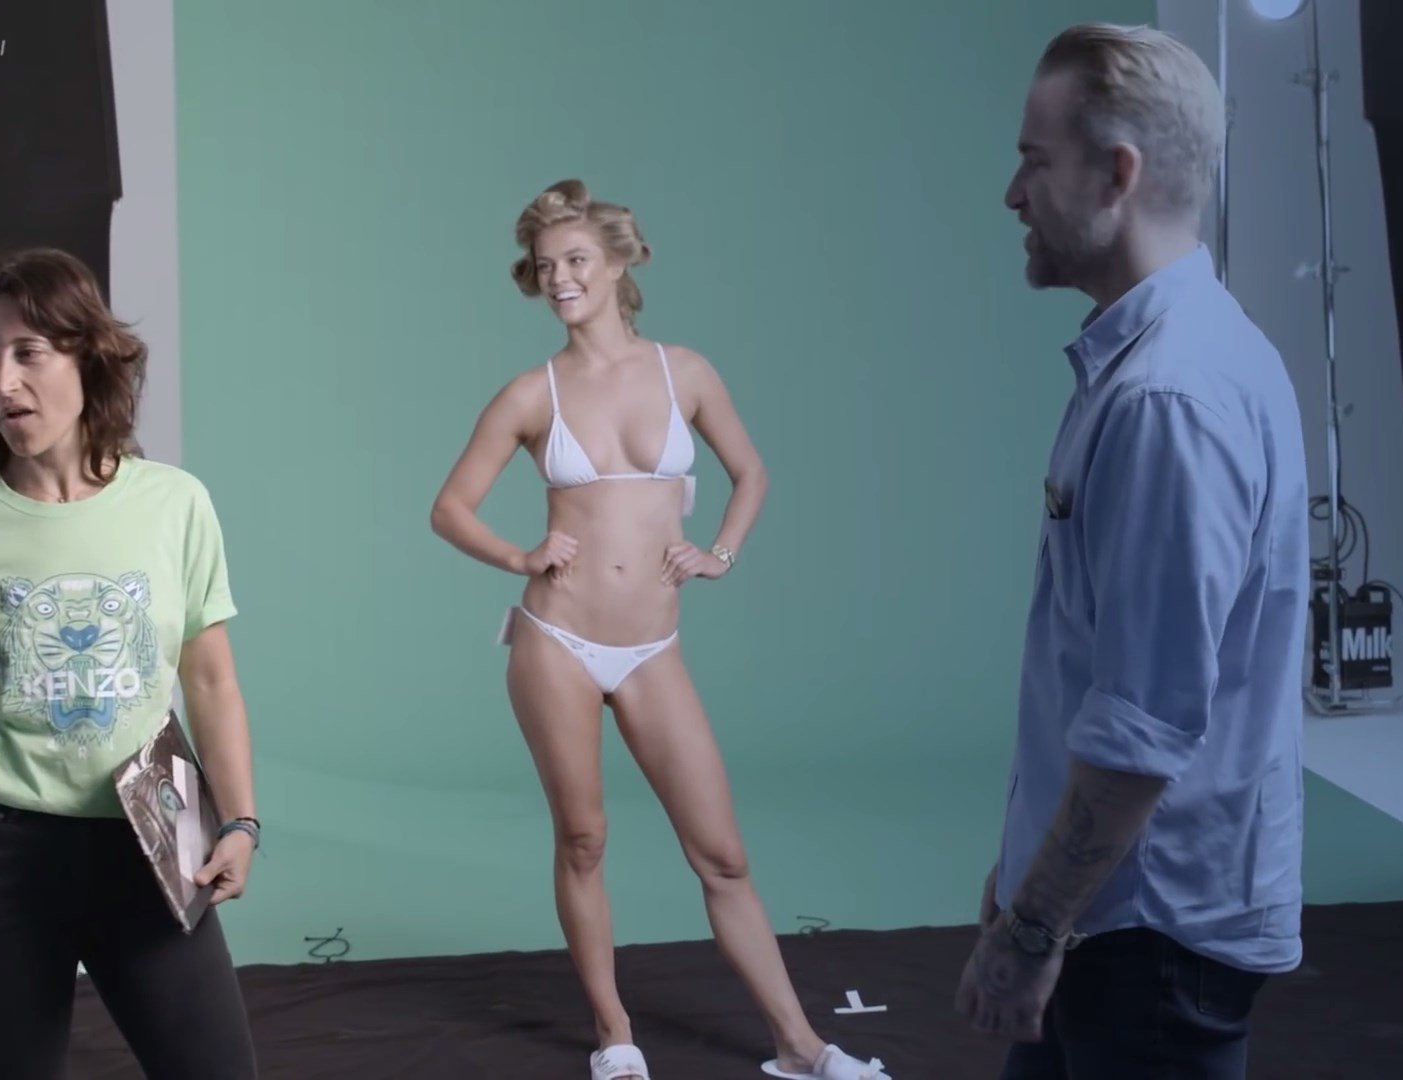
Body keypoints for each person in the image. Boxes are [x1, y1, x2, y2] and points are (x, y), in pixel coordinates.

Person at [430, 179, 889, 1080]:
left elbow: (751, 473)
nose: (559, 279)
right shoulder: (532, 393)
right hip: (557, 640)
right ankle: (614, 1035)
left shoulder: (687, 372)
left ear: (618, 264)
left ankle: (799, 1046)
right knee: (584, 840)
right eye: (544, 267)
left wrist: (720, 552)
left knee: (722, 855)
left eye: (575, 261)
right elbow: (449, 508)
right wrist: (521, 555)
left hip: (652, 647)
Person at [954, 23, 1310, 1078]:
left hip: (1144, 938)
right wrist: (1030, 879)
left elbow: (1145, 723)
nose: (1012, 194)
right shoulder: (1160, 361)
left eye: (1034, 160)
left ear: (1117, 174)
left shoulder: (1169, 399)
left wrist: (1031, 930)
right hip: (1108, 918)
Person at [0, 248, 263, 1078]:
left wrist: (239, 821)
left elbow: (210, 679)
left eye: (28, 352)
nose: (4, 383)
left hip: (145, 843)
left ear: (88, 354)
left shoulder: (175, 504)